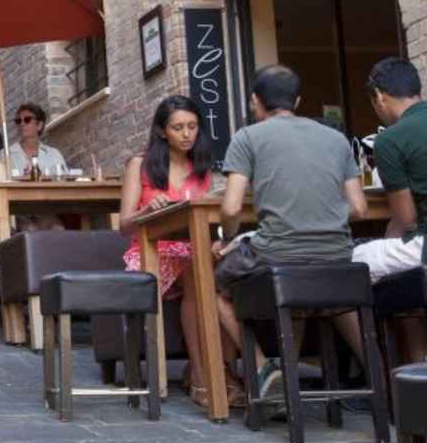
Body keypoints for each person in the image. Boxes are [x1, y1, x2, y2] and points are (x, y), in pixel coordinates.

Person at [213, 65, 368, 408]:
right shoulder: (335, 138)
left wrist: (226, 239)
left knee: (216, 288)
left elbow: (232, 207)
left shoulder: (247, 137)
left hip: (278, 254)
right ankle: (382, 380)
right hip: (337, 255)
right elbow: (359, 208)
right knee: (327, 291)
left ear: (255, 100)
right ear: (298, 101)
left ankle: (265, 369)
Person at [118, 96, 221, 407]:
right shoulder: (140, 165)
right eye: (178, 128)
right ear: (163, 131)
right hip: (150, 250)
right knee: (195, 271)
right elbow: (124, 225)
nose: (187, 134)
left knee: (208, 271)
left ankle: (215, 372)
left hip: (191, 250)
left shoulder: (201, 169)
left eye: (192, 126)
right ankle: (202, 375)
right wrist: (147, 210)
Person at [352, 58, 427, 362]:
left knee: (354, 261)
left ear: (380, 96)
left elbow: (407, 220)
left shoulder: (390, 140)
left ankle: (389, 368)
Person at [8, 103, 68, 177]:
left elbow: (65, 181)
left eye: (27, 119)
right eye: (18, 121)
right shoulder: (6, 155)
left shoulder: (54, 154)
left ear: (39, 125)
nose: (22, 124)